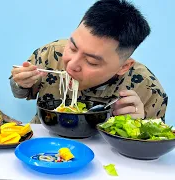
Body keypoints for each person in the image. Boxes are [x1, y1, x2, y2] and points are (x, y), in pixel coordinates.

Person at [10, 0, 168, 124]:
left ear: (123, 67)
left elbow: (155, 148)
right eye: (72, 47)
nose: (72, 65)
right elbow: (20, 92)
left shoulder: (147, 89)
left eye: (92, 62)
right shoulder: (50, 53)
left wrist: (138, 126)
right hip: (44, 139)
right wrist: (21, 83)